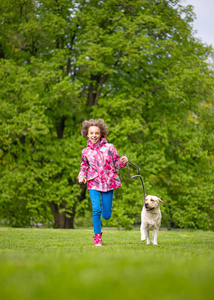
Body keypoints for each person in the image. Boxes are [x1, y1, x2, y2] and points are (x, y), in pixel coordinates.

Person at [78, 119, 128, 246]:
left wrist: (122, 162)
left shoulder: (109, 148)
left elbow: (117, 164)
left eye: (96, 133)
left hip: (108, 183)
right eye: (91, 133)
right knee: (96, 210)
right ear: (86, 134)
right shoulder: (85, 152)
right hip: (93, 183)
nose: (94, 135)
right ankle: (97, 236)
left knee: (106, 215)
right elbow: (83, 167)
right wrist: (82, 176)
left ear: (101, 134)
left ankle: (108, 208)